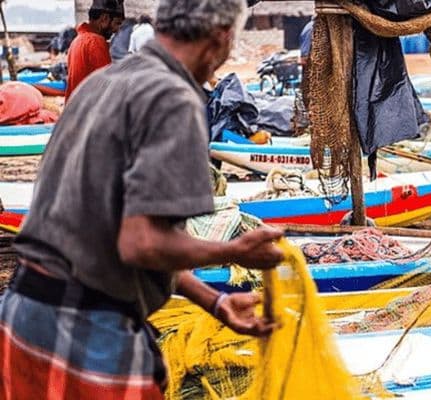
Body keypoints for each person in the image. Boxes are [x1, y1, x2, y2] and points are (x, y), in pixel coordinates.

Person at [0, 0, 283, 398]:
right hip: (87, 334)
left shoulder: (104, 83)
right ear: (221, 37)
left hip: (23, 317)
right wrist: (233, 248)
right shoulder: (174, 97)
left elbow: (115, 231)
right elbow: (143, 243)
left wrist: (214, 301)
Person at [65, 0, 124, 101]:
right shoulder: (95, 42)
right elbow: (107, 87)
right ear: (104, 19)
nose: (117, 30)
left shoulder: (78, 40)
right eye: (117, 23)